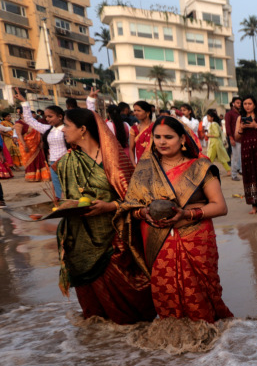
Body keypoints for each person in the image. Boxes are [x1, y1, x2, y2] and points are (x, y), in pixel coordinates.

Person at [115, 115, 232, 322]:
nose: (161, 142)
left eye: (168, 137)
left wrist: (187, 214)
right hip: (158, 240)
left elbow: (220, 206)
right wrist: (144, 213)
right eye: (157, 137)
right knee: (165, 291)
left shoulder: (200, 167)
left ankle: (210, 342)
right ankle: (173, 345)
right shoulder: (145, 170)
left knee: (200, 292)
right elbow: (130, 206)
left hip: (195, 238)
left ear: (183, 139)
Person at [56, 107, 156, 323]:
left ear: (83, 129)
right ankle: (101, 347)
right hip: (79, 240)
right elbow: (66, 198)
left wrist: (110, 207)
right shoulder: (67, 162)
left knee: (130, 309)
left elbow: (139, 199)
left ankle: (133, 345)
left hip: (113, 239)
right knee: (94, 317)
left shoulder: (114, 160)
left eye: (66, 125)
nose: (62, 130)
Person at [16, 89, 67, 197]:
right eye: (46, 116)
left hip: (67, 162)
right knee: (57, 188)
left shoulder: (68, 129)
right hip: (53, 162)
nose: (47, 119)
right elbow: (30, 120)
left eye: (50, 116)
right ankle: (61, 205)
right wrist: (24, 102)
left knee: (69, 187)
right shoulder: (47, 129)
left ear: (60, 117)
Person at [225, 97, 243, 181]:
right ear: (233, 103)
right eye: (237, 103)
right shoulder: (229, 114)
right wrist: (231, 137)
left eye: (240, 103)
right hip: (234, 138)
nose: (239, 104)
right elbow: (228, 126)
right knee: (235, 157)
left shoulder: (241, 113)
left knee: (242, 156)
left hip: (242, 138)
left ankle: (240, 170)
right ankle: (234, 174)